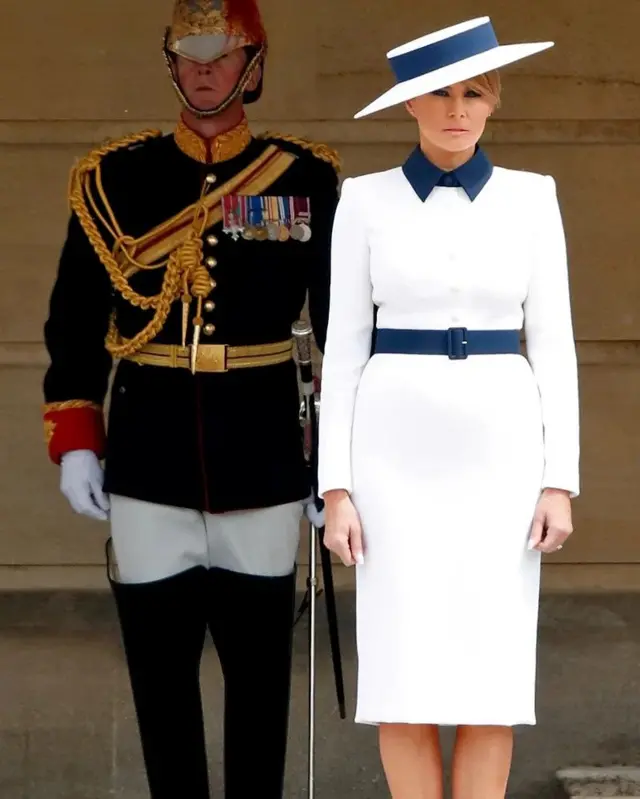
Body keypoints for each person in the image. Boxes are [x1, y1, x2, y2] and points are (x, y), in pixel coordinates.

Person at [41, 1, 340, 796]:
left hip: (266, 453)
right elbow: (72, 320)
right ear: (169, 60)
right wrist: (76, 433)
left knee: (261, 689)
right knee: (160, 686)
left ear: (254, 63)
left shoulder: (305, 176)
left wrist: (338, 458)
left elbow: (343, 331)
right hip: (150, 451)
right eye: (188, 51)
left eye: (222, 51)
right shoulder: (113, 178)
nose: (203, 66)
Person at [317, 16, 579, 799]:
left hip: (502, 460)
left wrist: (558, 478)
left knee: (488, 677)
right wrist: (337, 489)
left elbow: (555, 345)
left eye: (474, 93)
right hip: (391, 462)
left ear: (494, 102)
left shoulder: (534, 199)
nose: (457, 109)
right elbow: (342, 352)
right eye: (439, 94)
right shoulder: (362, 202)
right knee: (403, 672)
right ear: (409, 105)